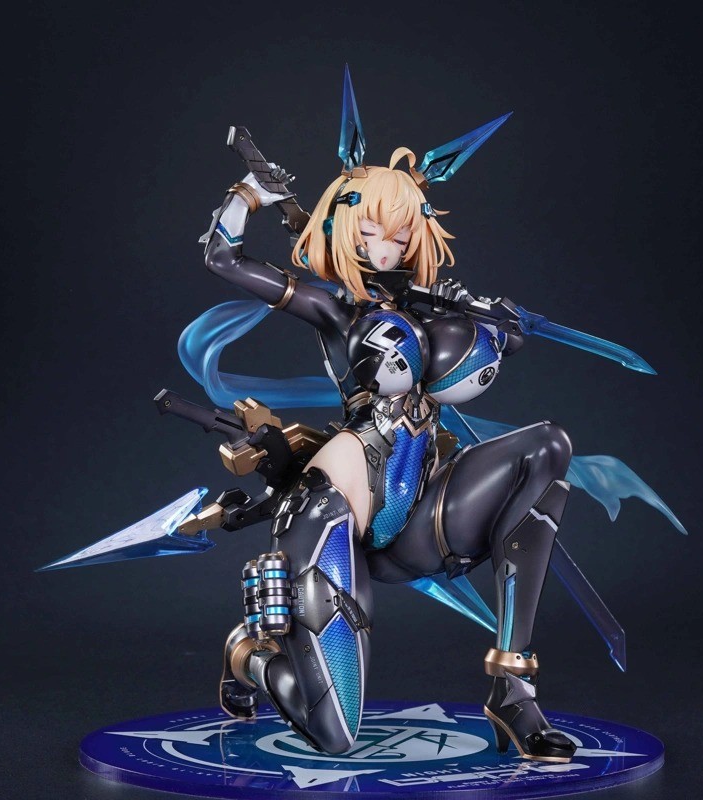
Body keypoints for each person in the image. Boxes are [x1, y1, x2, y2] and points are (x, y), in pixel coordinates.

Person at [201, 72, 581, 763]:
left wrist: (498, 323)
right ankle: (247, 656)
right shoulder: (331, 308)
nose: (385, 246)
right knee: (335, 736)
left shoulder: (431, 305)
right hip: (339, 510)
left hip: (422, 502)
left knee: (547, 448)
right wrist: (248, 195)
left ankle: (513, 690)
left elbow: (493, 352)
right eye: (370, 230)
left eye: (400, 232)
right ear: (345, 230)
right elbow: (222, 258)